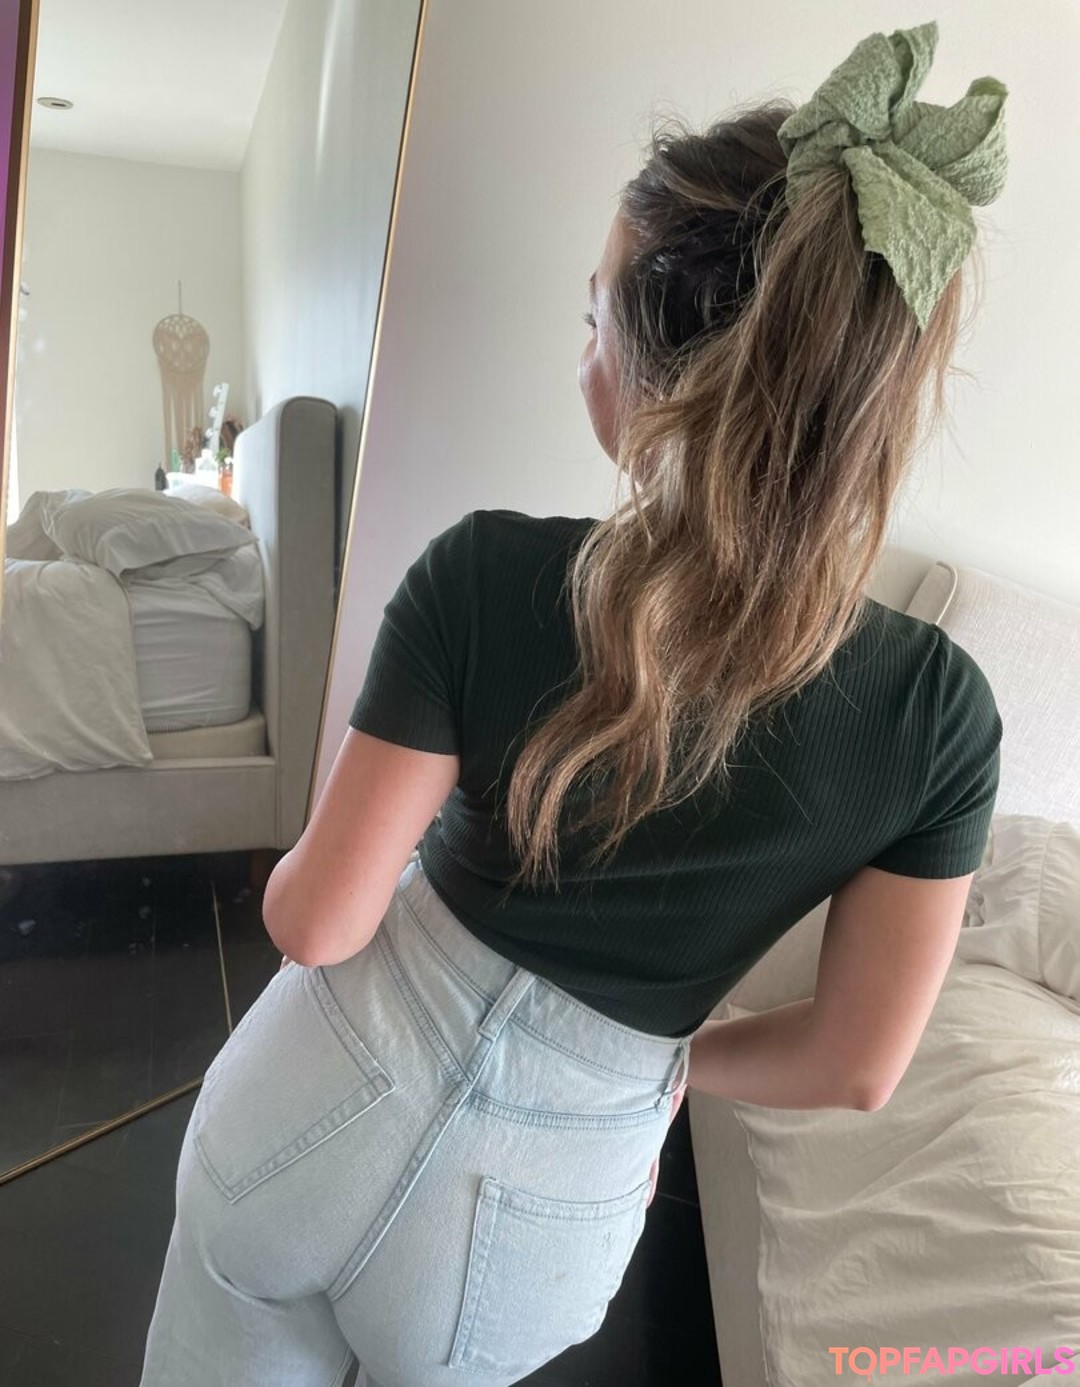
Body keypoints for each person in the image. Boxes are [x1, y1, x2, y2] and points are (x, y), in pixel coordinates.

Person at [139, 19, 1008, 1387]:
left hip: (298, 1125)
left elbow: (316, 922)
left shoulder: (485, 573)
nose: (584, 345)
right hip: (538, 1226)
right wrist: (659, 1069)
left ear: (653, 373)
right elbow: (856, 1065)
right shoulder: (939, 716)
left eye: (593, 314)